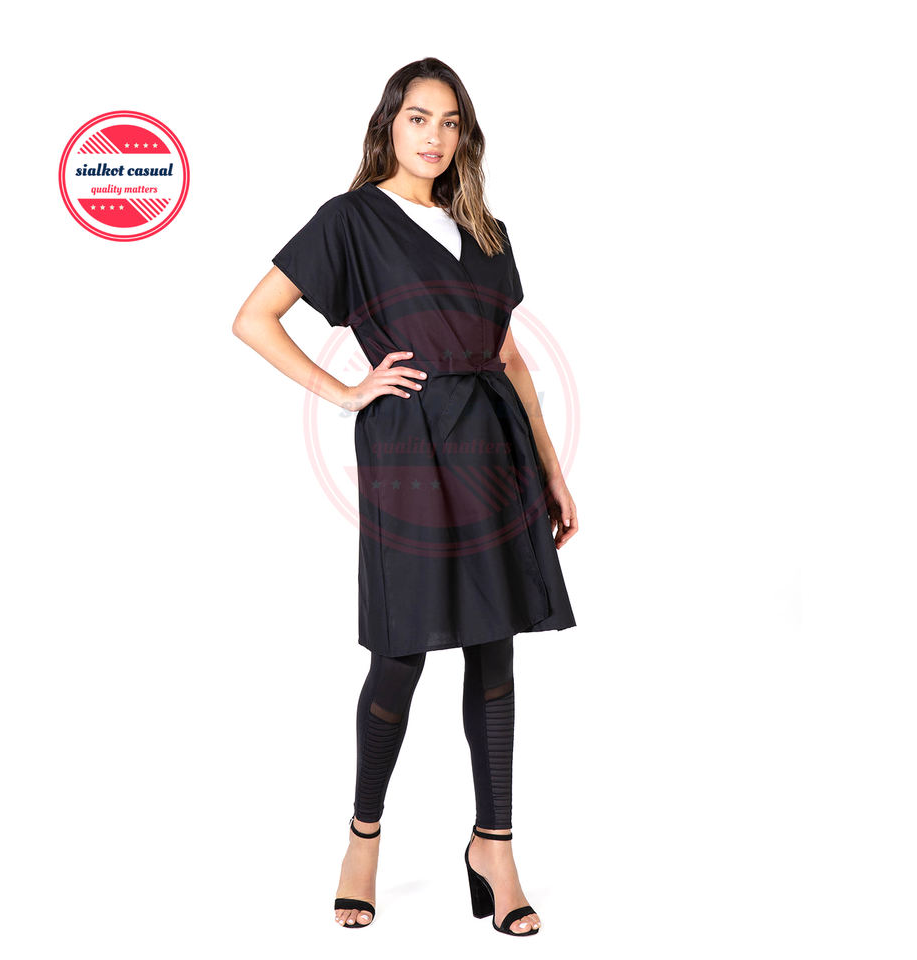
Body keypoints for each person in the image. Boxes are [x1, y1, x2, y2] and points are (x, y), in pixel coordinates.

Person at [233, 57, 578, 937]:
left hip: (496, 448)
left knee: (494, 648)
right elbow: (253, 317)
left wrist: (551, 468)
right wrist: (347, 391)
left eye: (450, 122)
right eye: (419, 117)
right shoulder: (349, 220)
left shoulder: (487, 230)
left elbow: (509, 358)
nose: (434, 136)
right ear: (390, 123)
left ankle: (494, 846)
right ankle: (363, 837)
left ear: (466, 135)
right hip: (409, 451)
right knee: (402, 648)